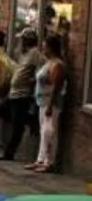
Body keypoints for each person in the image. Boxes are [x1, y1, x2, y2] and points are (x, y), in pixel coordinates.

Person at [0, 28, 44, 162]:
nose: (20, 42)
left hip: (22, 95)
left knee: (18, 126)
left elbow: (43, 67)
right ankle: (29, 120)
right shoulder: (23, 53)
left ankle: (9, 152)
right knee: (1, 111)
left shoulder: (35, 53)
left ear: (28, 41)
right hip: (13, 93)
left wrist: (33, 80)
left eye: (22, 39)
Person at [27, 35, 66, 174]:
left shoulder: (57, 64)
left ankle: (49, 162)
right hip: (41, 100)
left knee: (49, 132)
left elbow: (56, 86)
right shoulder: (48, 62)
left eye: (45, 46)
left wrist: (50, 105)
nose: (43, 48)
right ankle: (41, 159)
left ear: (51, 47)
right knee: (44, 131)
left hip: (50, 103)